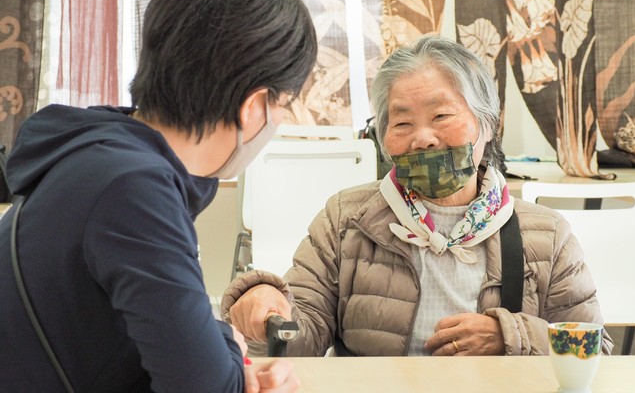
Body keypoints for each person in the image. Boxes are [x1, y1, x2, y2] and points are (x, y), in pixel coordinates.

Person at [0, 0, 316, 392]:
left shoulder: (94, 154)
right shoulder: (134, 189)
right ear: (252, 106)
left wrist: (224, 353)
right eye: (283, 105)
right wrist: (231, 355)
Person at [221, 35, 613, 357]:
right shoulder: (347, 218)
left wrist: (509, 336)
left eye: (441, 116)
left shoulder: (546, 235)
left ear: (488, 124)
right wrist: (267, 308)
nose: (422, 137)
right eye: (402, 122)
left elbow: (593, 350)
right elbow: (300, 331)